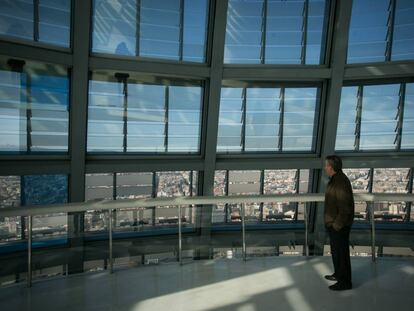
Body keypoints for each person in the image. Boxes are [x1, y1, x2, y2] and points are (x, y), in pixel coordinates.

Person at [324, 155, 355, 291]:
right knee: (337, 252)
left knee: (341, 253)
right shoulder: (337, 179)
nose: (325, 168)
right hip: (335, 224)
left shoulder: (340, 182)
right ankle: (338, 274)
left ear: (331, 167)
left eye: (326, 165)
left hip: (339, 225)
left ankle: (345, 282)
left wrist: (336, 225)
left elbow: (345, 208)